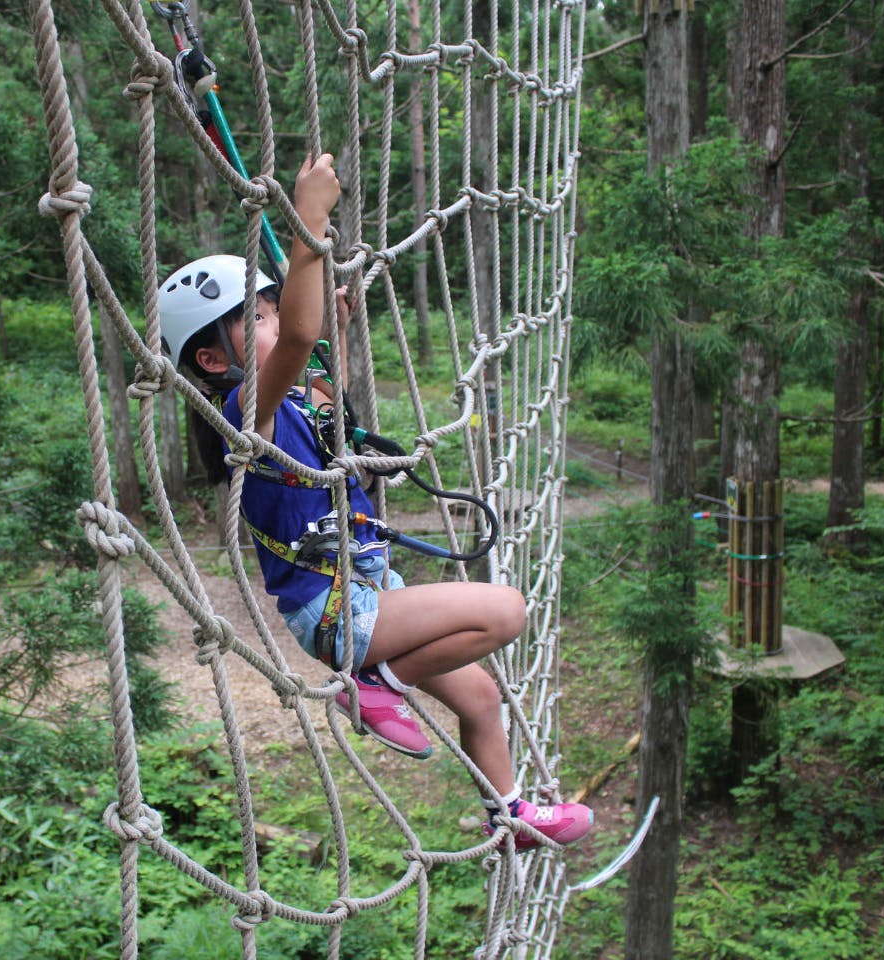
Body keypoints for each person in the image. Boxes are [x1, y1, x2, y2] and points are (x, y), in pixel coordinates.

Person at [158, 153, 592, 849]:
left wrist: (326, 318)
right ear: (214, 361)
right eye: (255, 317)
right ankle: (376, 684)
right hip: (336, 611)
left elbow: (318, 364)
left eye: (271, 309)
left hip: (367, 588)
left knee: (481, 696)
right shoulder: (247, 416)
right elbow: (297, 340)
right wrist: (310, 218)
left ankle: (509, 813)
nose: (274, 322)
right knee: (505, 609)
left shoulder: (296, 401)